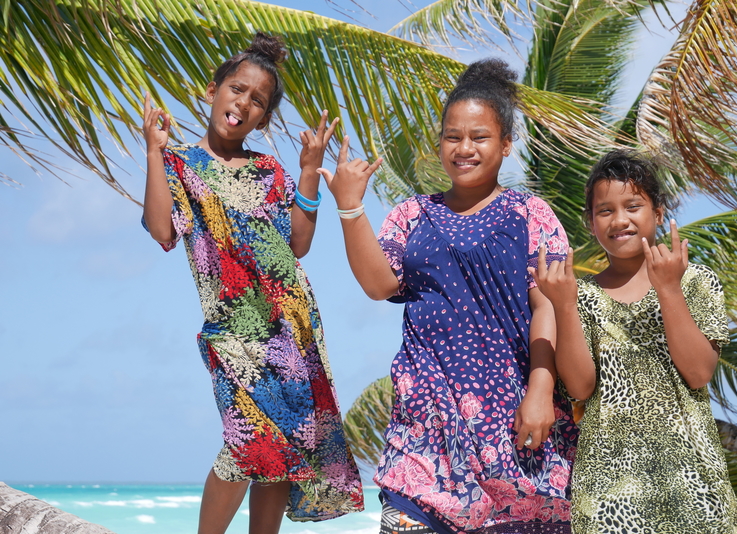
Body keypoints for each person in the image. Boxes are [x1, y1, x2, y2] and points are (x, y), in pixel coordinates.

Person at [318, 59, 578, 534]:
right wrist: (351, 207)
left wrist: (541, 389)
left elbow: (548, 304)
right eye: (452, 136)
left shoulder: (531, 213)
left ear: (505, 145)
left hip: (516, 430)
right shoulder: (411, 215)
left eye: (479, 137)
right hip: (422, 431)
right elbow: (380, 285)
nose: (464, 148)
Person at [141, 32, 363, 534]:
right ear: (212, 90)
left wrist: (308, 172)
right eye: (237, 89)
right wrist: (154, 152)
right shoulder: (179, 164)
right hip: (233, 333)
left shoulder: (268, 170)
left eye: (257, 100)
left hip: (292, 329)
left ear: (263, 116)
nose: (244, 102)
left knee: (283, 452)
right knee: (249, 446)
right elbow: (161, 230)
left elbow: (298, 244)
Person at [532, 150, 737, 533]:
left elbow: (699, 372)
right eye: (605, 211)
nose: (619, 220)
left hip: (693, 484)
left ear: (657, 212)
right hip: (609, 493)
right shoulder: (580, 296)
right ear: (590, 223)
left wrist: (668, 288)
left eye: (633, 206)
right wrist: (565, 306)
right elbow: (580, 387)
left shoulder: (696, 282)